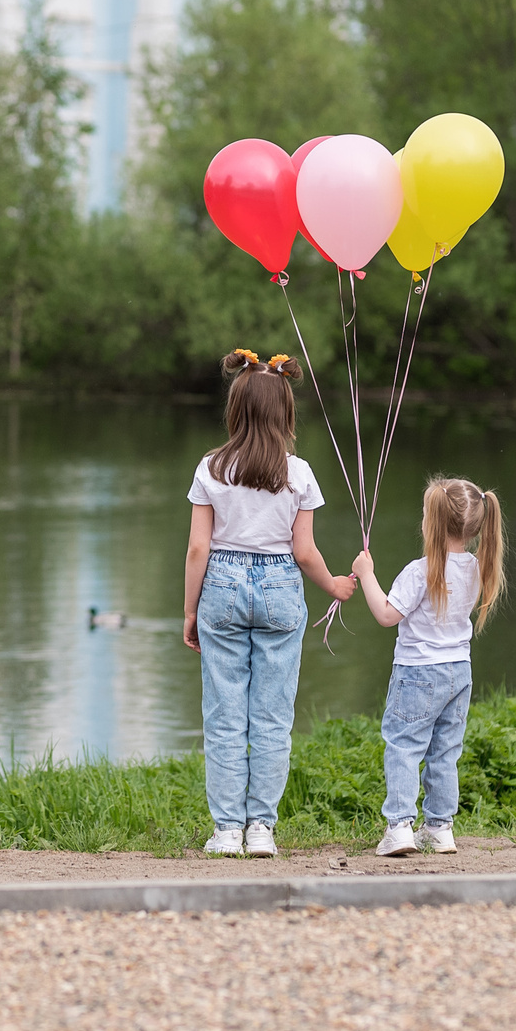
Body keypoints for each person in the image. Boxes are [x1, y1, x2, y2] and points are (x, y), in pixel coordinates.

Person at [183, 349, 358, 859]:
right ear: (285, 412)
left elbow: (199, 548)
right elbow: (304, 552)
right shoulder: (298, 473)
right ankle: (262, 828)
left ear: (235, 410)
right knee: (272, 718)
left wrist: (191, 610)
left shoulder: (211, 467)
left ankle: (227, 831)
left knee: (224, 717)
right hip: (281, 589)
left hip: (222, 588)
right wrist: (333, 586)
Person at [351, 475, 507, 857]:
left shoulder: (420, 572)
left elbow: (387, 615)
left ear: (431, 523)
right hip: (459, 673)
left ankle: (400, 827)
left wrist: (367, 574)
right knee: (444, 752)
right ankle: (439, 829)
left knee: (403, 747)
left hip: (419, 673)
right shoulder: (476, 566)